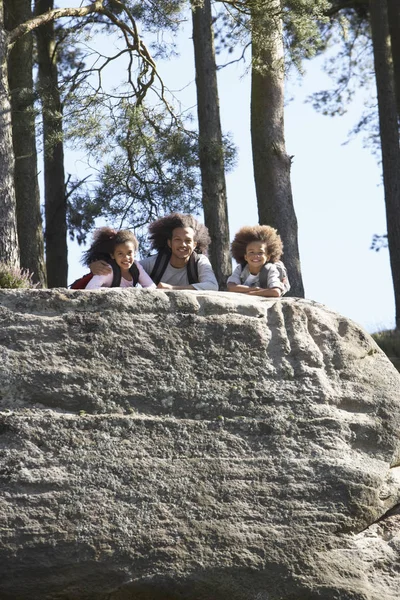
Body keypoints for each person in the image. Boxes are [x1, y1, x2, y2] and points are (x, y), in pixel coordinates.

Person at [89, 213, 219, 291]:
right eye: (177, 239)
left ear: (195, 244)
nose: (183, 245)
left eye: (188, 240)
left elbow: (212, 286)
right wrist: (95, 266)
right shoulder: (156, 263)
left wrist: (173, 289)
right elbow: (126, 265)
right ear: (169, 243)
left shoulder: (199, 261)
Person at [82, 227, 156, 289]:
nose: (126, 257)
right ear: (112, 255)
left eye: (129, 253)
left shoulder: (136, 267)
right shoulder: (108, 269)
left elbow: (151, 286)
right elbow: (90, 288)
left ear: (135, 252)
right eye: (120, 254)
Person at [227, 225, 288, 297]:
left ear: (268, 257)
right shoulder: (241, 268)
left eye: (260, 253)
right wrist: (254, 289)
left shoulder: (270, 269)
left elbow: (275, 292)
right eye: (251, 252)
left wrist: (252, 293)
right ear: (245, 257)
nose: (256, 256)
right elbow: (231, 286)